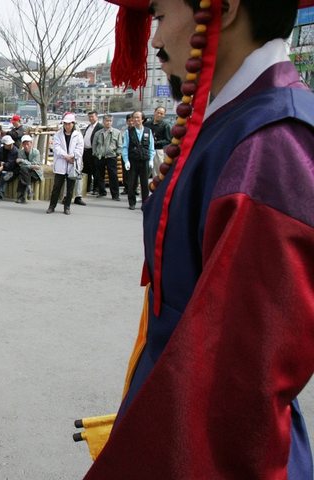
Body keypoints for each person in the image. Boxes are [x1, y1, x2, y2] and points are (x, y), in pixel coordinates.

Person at [82, 1, 314, 478]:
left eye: (161, 16)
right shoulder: (236, 119)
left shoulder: (273, 143)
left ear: (222, 10)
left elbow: (238, 382)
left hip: (202, 433)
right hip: (174, 396)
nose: (153, 40)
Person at [47, 113, 83, 215]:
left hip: (72, 164)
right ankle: (52, 206)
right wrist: (66, 156)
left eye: (69, 124)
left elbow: (80, 149)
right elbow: (56, 148)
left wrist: (73, 157)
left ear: (73, 123)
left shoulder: (78, 135)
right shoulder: (58, 134)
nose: (67, 126)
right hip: (61, 164)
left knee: (70, 188)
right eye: (65, 124)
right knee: (56, 187)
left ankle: (67, 207)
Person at [121, 110, 154, 210]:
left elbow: (151, 147)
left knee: (144, 183)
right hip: (133, 160)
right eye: (134, 118)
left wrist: (151, 159)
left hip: (144, 160)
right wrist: (126, 160)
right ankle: (132, 202)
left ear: (142, 119)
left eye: (137, 118)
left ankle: (145, 203)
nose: (135, 120)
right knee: (132, 183)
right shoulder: (128, 132)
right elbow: (125, 147)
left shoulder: (148, 131)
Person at [91, 114, 123, 201]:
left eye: (110, 121)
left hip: (111, 156)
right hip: (100, 156)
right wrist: (95, 153)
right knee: (100, 175)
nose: (108, 123)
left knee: (113, 175)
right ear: (103, 121)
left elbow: (120, 145)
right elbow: (94, 144)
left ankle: (115, 195)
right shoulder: (98, 133)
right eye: (106, 121)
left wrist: (117, 153)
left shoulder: (117, 132)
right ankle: (102, 191)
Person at [144, 106, 172, 177]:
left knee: (158, 171)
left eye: (161, 113)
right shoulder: (147, 124)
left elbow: (168, 140)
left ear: (164, 115)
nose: (159, 115)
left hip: (158, 150)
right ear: (154, 112)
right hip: (146, 150)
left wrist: (155, 142)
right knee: (145, 171)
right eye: (158, 112)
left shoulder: (166, 125)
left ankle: (158, 187)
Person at [14, 134, 43, 204]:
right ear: (22, 145)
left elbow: (35, 164)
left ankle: (21, 197)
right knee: (23, 171)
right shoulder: (20, 152)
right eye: (24, 144)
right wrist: (31, 165)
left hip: (35, 173)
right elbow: (22, 165)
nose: (26, 146)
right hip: (26, 173)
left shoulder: (36, 152)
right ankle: (29, 188)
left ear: (31, 144)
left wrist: (23, 161)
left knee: (23, 173)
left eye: (28, 144)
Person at [0, 135, 18, 201]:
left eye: (11, 144)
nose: (10, 145)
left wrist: (2, 166)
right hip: (0, 168)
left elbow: (11, 164)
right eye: (8, 144)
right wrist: (0, 164)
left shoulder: (15, 151)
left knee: (4, 175)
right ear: (4, 144)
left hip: (11, 170)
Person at [83, 111, 104, 196]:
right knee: (86, 170)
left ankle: (96, 188)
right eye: (89, 117)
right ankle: (87, 187)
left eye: (92, 116)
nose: (91, 118)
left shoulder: (100, 127)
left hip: (94, 151)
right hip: (86, 151)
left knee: (95, 171)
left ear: (96, 117)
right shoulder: (89, 126)